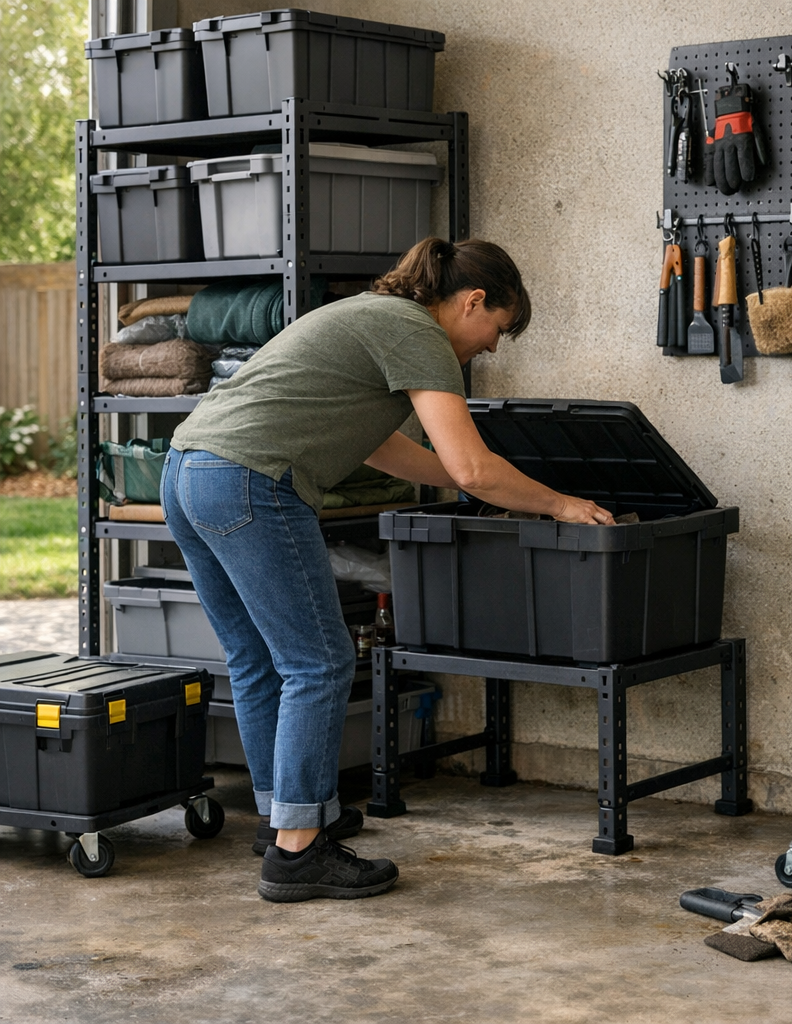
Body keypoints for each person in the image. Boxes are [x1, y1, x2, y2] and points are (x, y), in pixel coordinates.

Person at [161, 237, 613, 903]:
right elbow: (470, 464)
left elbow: (385, 449)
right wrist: (558, 503)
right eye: (498, 329)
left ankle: (285, 816)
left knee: (260, 659)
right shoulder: (413, 329)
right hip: (247, 482)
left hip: (189, 471)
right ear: (473, 301)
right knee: (319, 662)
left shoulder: (365, 317)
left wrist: (480, 490)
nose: (491, 347)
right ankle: (298, 854)